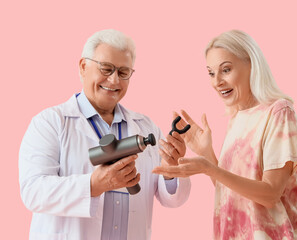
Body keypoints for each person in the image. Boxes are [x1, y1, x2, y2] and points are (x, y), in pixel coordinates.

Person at [19, 29, 191, 240]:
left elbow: (172, 199)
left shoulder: (146, 127)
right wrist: (94, 185)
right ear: (83, 67)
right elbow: (33, 192)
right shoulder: (50, 123)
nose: (114, 80)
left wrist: (171, 169)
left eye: (123, 72)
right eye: (106, 68)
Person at [153, 30, 297, 239]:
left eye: (226, 70)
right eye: (211, 73)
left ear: (251, 65)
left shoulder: (279, 112)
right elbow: (230, 193)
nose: (217, 81)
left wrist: (207, 167)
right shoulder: (237, 118)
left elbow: (271, 194)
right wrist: (206, 154)